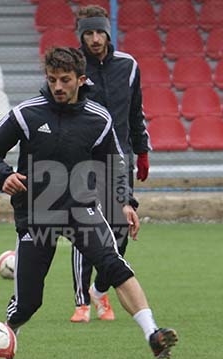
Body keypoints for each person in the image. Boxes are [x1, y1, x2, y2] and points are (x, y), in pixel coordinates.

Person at [0, 47, 177, 359]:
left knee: (113, 263)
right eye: (53, 79)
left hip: (81, 207)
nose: (58, 86)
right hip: (36, 211)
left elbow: (114, 164)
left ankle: (152, 332)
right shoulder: (27, 113)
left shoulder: (98, 119)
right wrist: (3, 176)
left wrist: (125, 202)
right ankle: (4, 337)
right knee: (29, 302)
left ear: (81, 80)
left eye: (65, 79)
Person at [68, 5, 152, 323]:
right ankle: (81, 302)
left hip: (120, 158)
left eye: (99, 32)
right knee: (84, 227)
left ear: (108, 32)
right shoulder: (73, 67)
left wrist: (141, 152)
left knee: (119, 230)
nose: (94, 38)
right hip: (83, 159)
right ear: (81, 35)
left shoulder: (128, 66)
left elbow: (136, 112)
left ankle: (100, 290)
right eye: (88, 33)